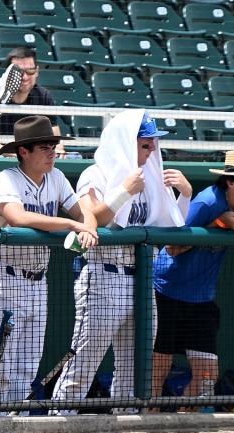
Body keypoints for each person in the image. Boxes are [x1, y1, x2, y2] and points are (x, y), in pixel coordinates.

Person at [48, 110, 192, 415]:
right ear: (126, 143)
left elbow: (169, 231)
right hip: (105, 275)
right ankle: (58, 419)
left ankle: (126, 426)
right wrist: (124, 192)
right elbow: (91, 220)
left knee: (135, 364)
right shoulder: (96, 174)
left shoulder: (151, 177)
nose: (151, 150)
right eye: (144, 144)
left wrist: (185, 196)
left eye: (153, 143)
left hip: (142, 279)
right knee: (87, 359)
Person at [0, 115, 98, 414]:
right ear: (24, 151)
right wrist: (72, 224)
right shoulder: (6, 178)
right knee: (0, 362)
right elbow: (18, 217)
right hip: (5, 278)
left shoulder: (56, 178)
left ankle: (14, 423)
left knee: (28, 363)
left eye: (54, 146)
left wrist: (88, 220)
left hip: (38, 280)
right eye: (45, 147)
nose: (52, 153)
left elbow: (83, 213)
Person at [152, 150, 234, 405]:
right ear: (230, 182)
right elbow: (173, 247)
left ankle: (185, 430)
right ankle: (146, 423)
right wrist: (217, 225)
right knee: (157, 372)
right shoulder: (206, 203)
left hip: (202, 299)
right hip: (166, 292)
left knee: (207, 377)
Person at [0, 47, 64, 156]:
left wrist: (58, 153)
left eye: (30, 71)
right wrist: (25, 155)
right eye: (18, 72)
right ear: (8, 74)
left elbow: (56, 140)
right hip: (2, 160)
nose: (25, 77)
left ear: (37, 71)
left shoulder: (43, 97)